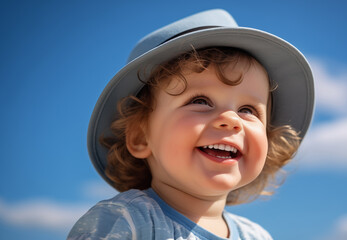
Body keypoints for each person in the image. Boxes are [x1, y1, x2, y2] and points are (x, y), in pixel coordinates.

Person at [68, 9, 314, 240]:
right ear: (141, 137)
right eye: (201, 101)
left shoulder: (256, 236)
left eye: (248, 110)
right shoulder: (127, 221)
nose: (231, 120)